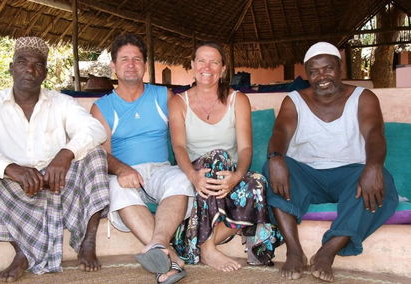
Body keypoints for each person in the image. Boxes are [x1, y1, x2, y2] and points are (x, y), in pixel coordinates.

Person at [0, 37, 110, 282]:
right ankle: (22, 252)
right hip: (17, 188)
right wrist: (10, 169)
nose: (30, 69)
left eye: (38, 64)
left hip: (59, 184)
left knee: (95, 154)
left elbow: (94, 130)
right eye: (22, 62)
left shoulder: (61, 102)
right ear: (11, 67)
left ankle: (87, 240)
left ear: (45, 72)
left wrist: (65, 154)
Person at [263, 42, 399, 282]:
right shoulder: (294, 100)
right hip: (307, 175)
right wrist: (275, 158)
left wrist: (374, 166)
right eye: (314, 71)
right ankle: (294, 251)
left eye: (328, 68)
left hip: (350, 176)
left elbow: (375, 134)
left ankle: (327, 252)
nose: (322, 76)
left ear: (340, 68)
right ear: (307, 74)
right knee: (272, 168)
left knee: (383, 182)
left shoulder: (362, 97)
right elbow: (280, 132)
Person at [169, 42, 283, 273]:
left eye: (214, 62)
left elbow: (245, 149)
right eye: (201, 60)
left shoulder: (237, 100)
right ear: (192, 66)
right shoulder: (179, 102)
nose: (206, 67)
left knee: (257, 182)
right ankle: (208, 247)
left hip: (227, 175)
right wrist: (193, 176)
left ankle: (196, 243)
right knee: (216, 155)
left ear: (222, 69)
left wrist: (237, 176)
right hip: (195, 173)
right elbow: (179, 147)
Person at [90, 33, 194, 284]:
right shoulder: (102, 107)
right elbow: (101, 155)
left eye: (137, 59)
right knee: (115, 188)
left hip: (160, 170)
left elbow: (183, 137)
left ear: (145, 66)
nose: (131, 64)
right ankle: (172, 261)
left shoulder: (163, 97)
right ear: (113, 66)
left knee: (180, 178)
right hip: (125, 174)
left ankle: (159, 246)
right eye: (124, 59)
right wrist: (123, 169)